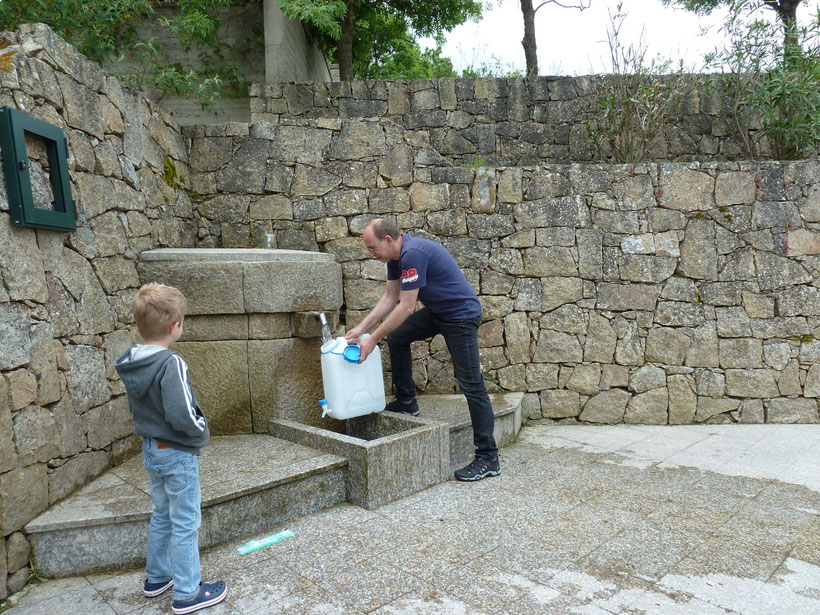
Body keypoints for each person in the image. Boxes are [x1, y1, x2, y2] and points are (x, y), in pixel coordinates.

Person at [345, 218, 500, 481]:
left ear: (389, 240)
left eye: (372, 248)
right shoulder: (395, 259)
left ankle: (488, 457)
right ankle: (407, 402)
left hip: (461, 315)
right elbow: (389, 298)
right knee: (398, 338)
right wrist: (362, 329)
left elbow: (406, 307)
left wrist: (372, 341)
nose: (371, 254)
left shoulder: (413, 255)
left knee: (471, 384)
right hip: (439, 312)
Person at [114, 283, 228, 615]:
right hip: (177, 452)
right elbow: (182, 414)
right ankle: (188, 592)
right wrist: (201, 432)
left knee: (162, 513)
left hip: (151, 449)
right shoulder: (170, 363)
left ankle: (157, 578)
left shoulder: (132, 361)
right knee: (185, 521)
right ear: (174, 326)